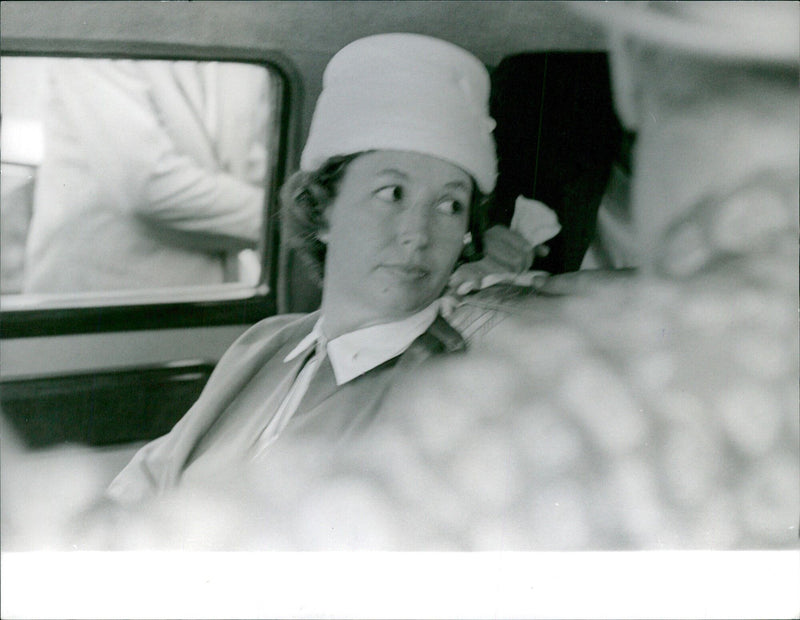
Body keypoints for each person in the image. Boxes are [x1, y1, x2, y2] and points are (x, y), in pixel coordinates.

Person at [105, 33, 499, 502]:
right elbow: (147, 480)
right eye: (392, 193)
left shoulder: (450, 391)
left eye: (450, 205)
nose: (418, 232)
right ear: (322, 209)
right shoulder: (265, 343)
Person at [23, 58, 271, 293]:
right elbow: (149, 188)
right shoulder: (102, 30)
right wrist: (288, 216)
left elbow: (252, 160)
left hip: (215, 297)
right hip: (105, 304)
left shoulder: (240, 46)